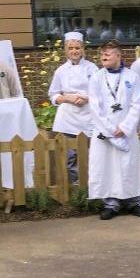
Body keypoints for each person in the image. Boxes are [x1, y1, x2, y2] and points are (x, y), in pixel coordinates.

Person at [88, 40, 140, 220]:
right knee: (107, 167)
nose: (104, 57)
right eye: (102, 54)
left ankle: (134, 202)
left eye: (108, 53)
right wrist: (110, 129)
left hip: (126, 132)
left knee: (128, 166)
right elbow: (94, 106)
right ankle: (110, 204)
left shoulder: (132, 77)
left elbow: (136, 104)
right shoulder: (96, 78)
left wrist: (124, 127)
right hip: (104, 133)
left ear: (119, 56)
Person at [48, 32, 98, 183]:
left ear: (83, 49)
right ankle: (74, 190)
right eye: (71, 48)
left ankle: (90, 188)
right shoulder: (61, 71)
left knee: (89, 156)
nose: (74, 51)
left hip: (88, 117)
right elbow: (53, 95)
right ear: (66, 50)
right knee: (69, 158)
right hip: (67, 120)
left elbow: (100, 93)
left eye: (77, 47)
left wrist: (86, 98)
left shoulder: (92, 68)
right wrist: (67, 98)